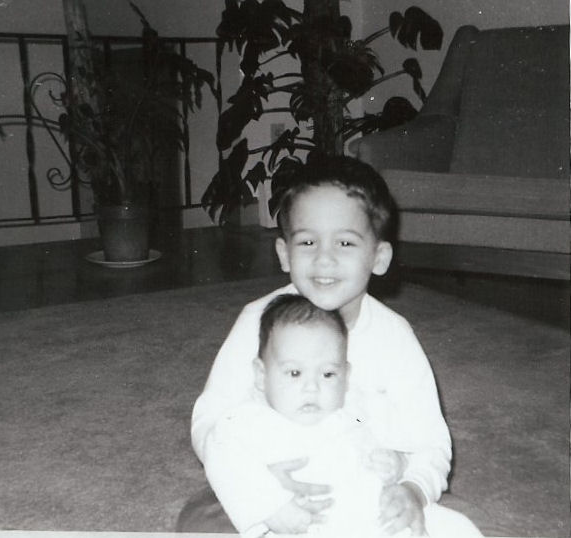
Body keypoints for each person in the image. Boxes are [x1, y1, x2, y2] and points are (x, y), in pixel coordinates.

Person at [183, 156, 452, 534]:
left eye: (345, 242)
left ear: (379, 258)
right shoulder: (257, 321)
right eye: (308, 241)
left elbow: (431, 444)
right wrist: (261, 488)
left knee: (451, 521)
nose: (324, 258)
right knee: (200, 520)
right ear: (284, 253)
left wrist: (413, 489)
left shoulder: (395, 338)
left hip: (361, 490)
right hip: (267, 483)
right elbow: (210, 419)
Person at [203, 294, 483, 538]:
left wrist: (399, 461)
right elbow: (222, 459)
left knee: (455, 526)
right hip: (305, 525)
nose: (311, 387)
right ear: (261, 375)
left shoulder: (355, 410)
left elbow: (407, 437)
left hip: (374, 517)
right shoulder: (248, 421)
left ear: (346, 375)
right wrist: (270, 505)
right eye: (294, 373)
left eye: (328, 374)